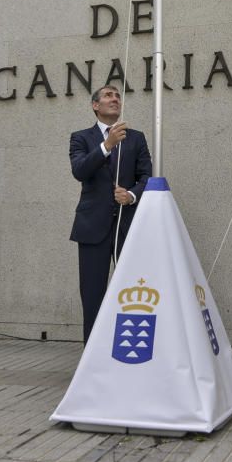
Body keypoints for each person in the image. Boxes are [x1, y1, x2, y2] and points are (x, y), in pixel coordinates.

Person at [69, 84, 151, 343]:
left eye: (117, 96)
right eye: (108, 95)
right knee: (93, 295)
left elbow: (147, 176)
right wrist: (107, 145)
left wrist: (132, 195)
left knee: (133, 292)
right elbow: (80, 170)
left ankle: (130, 349)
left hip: (129, 227)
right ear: (95, 105)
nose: (114, 99)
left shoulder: (136, 138)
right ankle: (92, 356)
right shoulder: (81, 137)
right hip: (93, 228)